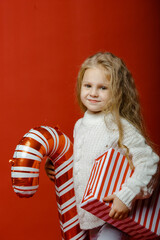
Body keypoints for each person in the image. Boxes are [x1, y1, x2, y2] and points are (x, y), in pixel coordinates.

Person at [45, 52, 159, 240]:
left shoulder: (118, 125)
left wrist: (126, 196)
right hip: (88, 216)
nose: (93, 93)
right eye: (88, 85)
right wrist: (59, 168)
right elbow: (85, 165)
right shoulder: (80, 125)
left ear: (117, 91)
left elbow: (149, 163)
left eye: (103, 88)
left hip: (113, 217)